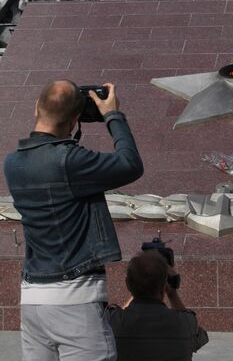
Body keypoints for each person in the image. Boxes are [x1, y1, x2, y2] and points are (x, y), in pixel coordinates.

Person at [4, 80, 144, 361]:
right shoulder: (70, 161)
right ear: (74, 120)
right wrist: (112, 115)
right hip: (75, 299)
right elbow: (131, 164)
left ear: (35, 108)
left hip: (33, 298)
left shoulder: (12, 163)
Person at [106, 251, 209, 361]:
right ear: (164, 286)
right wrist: (172, 294)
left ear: (127, 284)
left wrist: (137, 287)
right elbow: (200, 340)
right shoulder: (186, 323)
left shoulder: (113, 321)